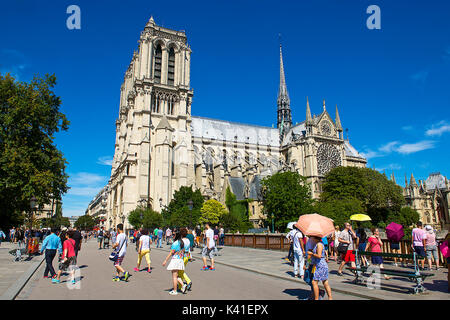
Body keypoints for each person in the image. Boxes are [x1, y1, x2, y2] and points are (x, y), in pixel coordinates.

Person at [307, 236, 333, 300]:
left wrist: (312, 253)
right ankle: (330, 297)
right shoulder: (317, 244)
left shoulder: (319, 244)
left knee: (314, 282)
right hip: (318, 265)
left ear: (315, 238)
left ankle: (316, 298)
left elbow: (319, 256)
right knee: (324, 282)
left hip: (320, 265)